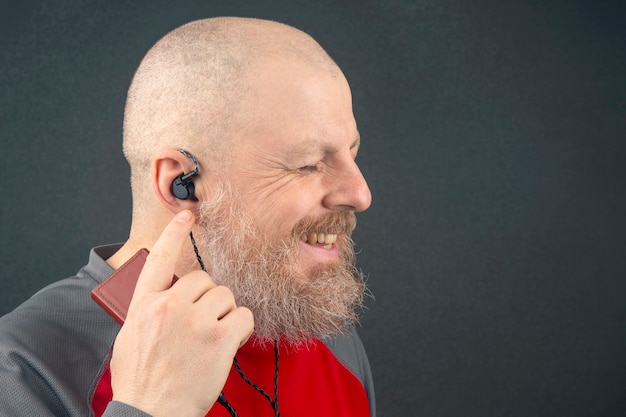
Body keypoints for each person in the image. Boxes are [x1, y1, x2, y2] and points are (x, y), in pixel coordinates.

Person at [0, 17, 375, 417]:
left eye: (351, 153)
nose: (360, 193)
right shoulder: (23, 370)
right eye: (308, 165)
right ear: (184, 183)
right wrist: (146, 409)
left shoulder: (312, 326)